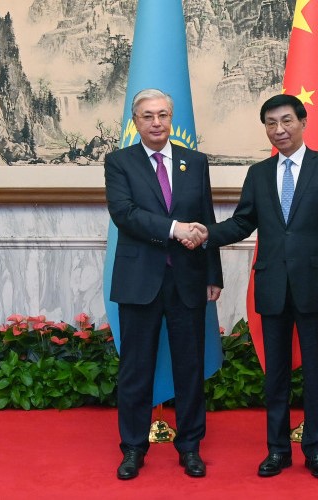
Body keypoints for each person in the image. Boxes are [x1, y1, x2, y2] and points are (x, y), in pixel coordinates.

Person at [187, 94, 318, 479]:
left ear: (302, 121)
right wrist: (205, 234)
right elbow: (243, 223)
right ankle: (277, 450)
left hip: (316, 287)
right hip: (273, 286)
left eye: (286, 121)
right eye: (271, 124)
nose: (279, 130)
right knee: (275, 374)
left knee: (315, 372)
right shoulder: (259, 173)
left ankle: (316, 450)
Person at [105, 88, 223, 480]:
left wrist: (213, 274)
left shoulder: (195, 161)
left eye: (163, 116)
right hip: (140, 281)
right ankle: (133, 448)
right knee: (136, 369)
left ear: (171, 119)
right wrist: (174, 229)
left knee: (189, 367)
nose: (156, 123)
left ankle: (190, 447)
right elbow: (125, 214)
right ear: (135, 122)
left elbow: (206, 216)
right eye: (148, 116)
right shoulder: (119, 162)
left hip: (188, 281)